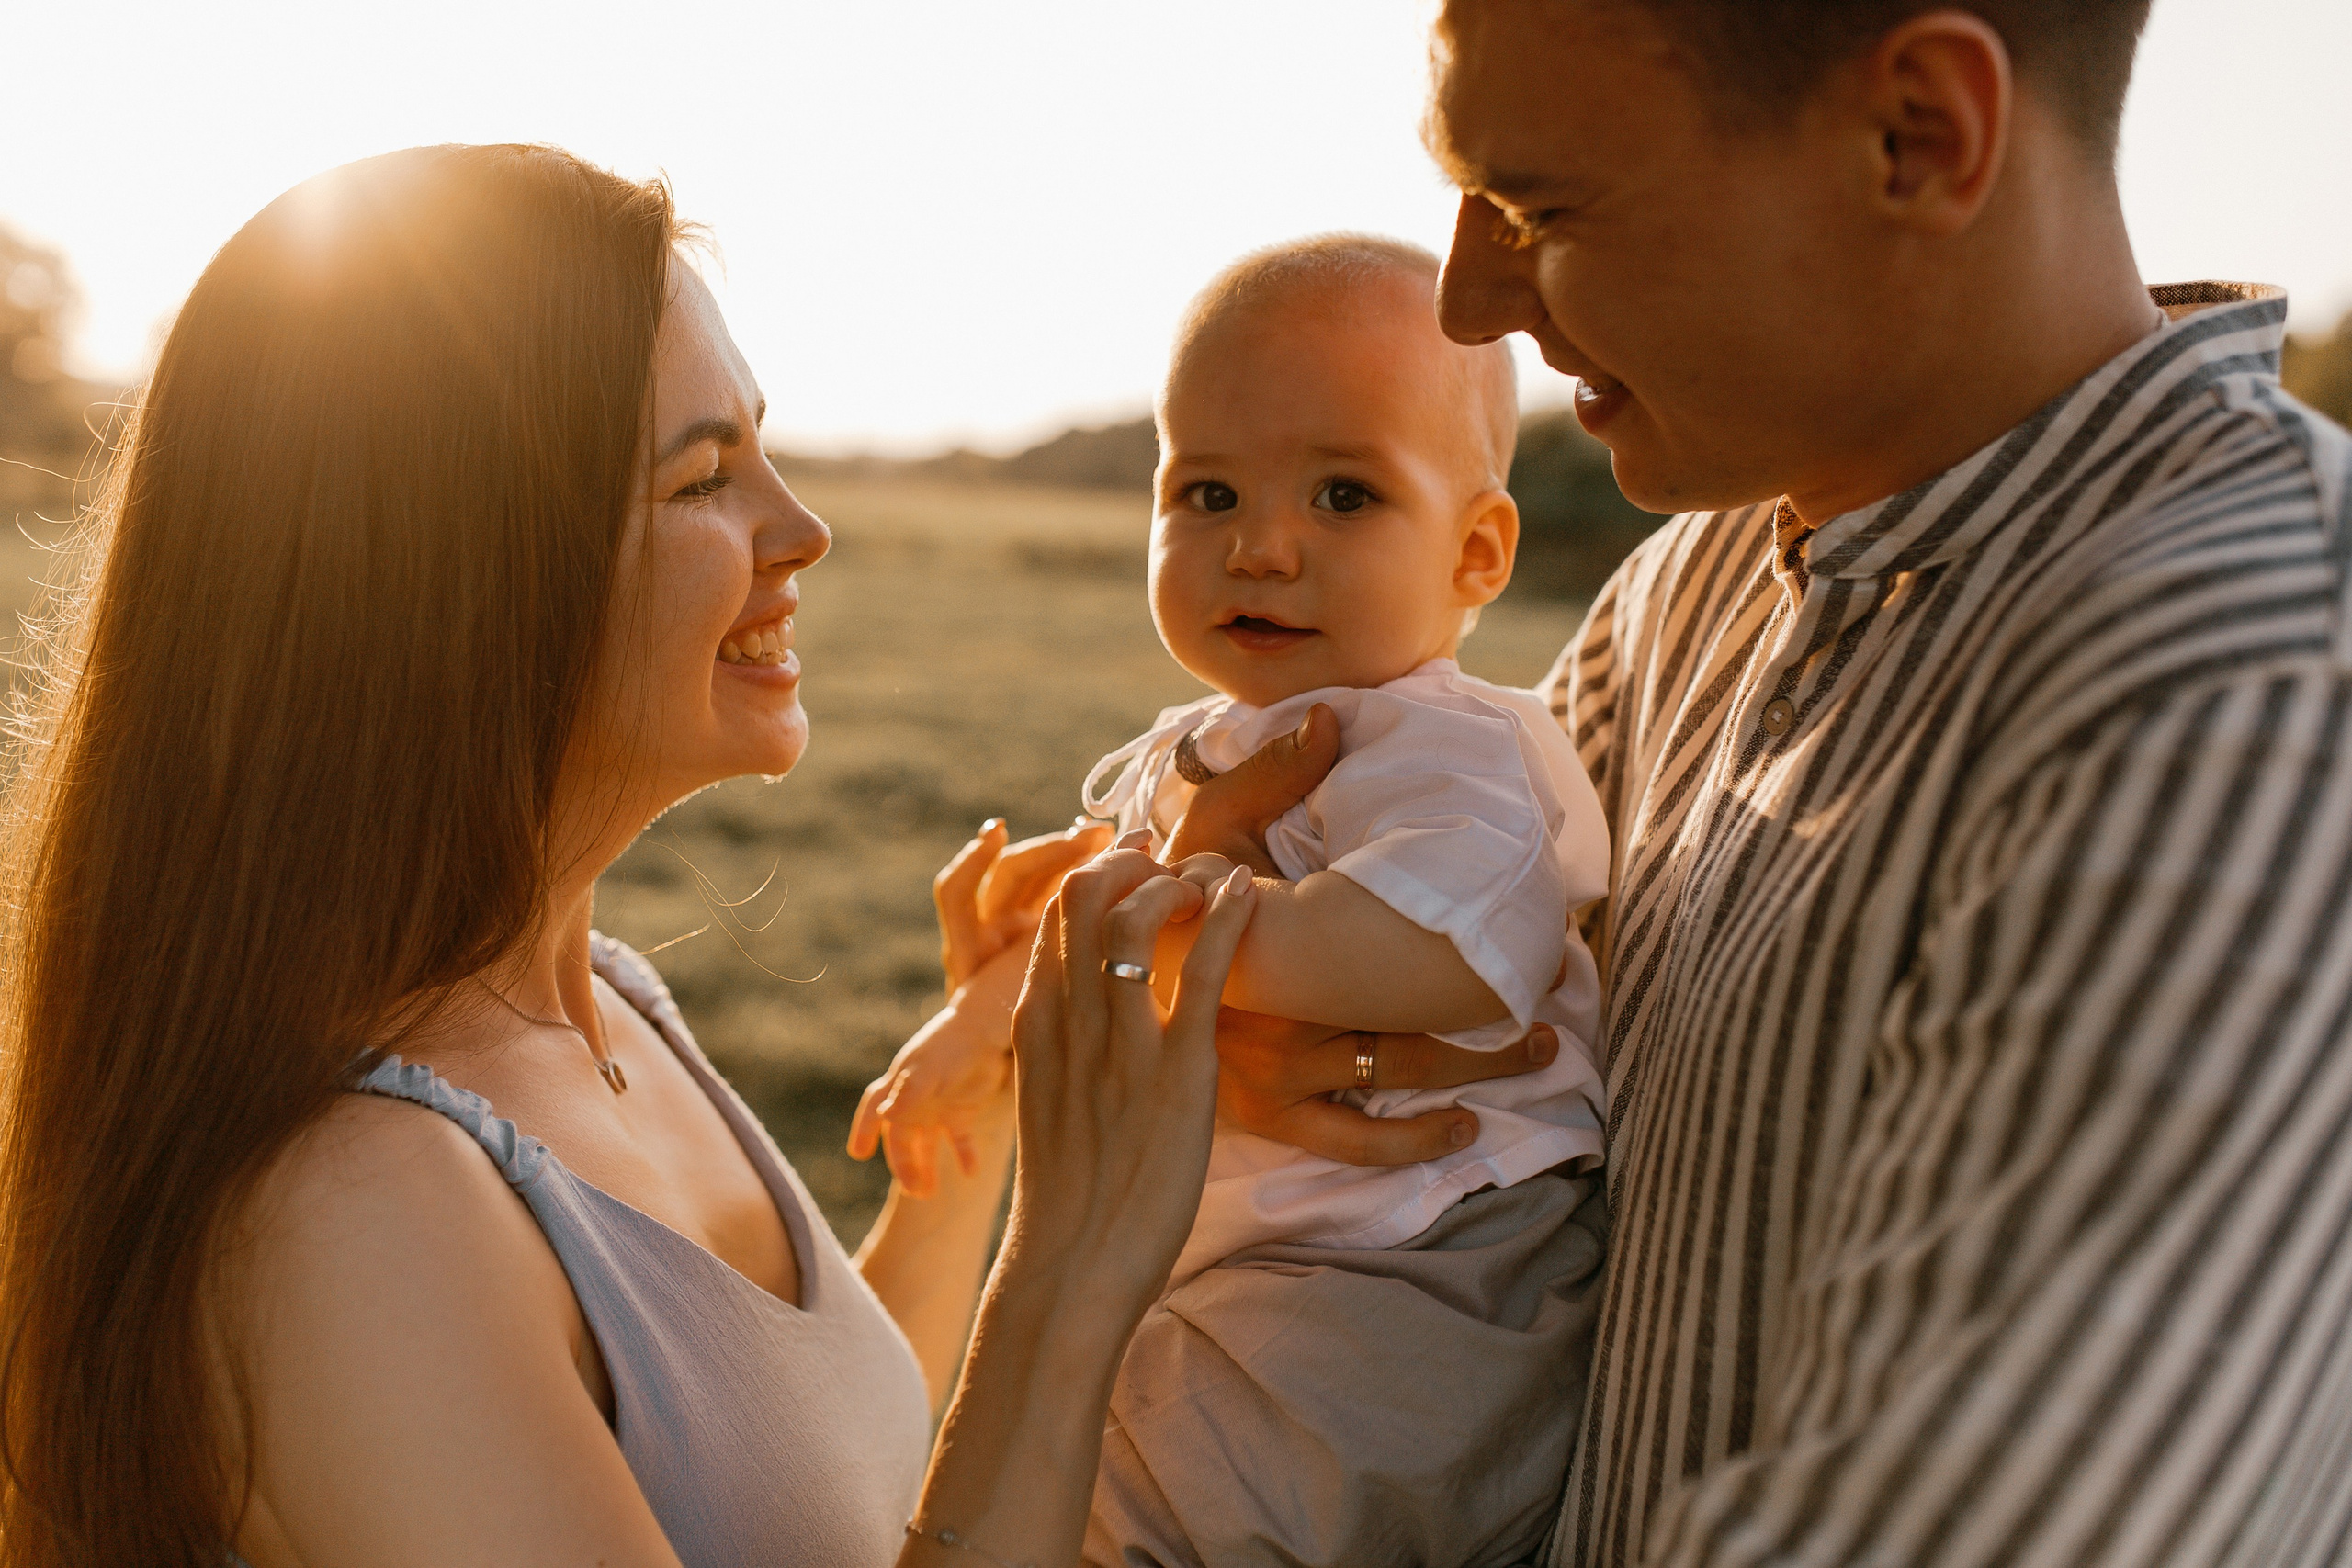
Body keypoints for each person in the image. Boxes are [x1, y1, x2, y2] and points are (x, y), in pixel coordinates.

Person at [0, 144, 1538, 1568]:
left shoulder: (603, 1008)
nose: (800, 528)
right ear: (461, 583)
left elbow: (800, 1492)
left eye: (767, 449)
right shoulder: (348, 1224)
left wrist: (983, 1142)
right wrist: (1072, 1272)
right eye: (702, 478)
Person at [1175, 1, 2352, 1563]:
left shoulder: (2257, 674)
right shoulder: (1700, 587)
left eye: (1539, 208)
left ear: (1918, 135)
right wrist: (1260, 1047)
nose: (1470, 302)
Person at [860, 235, 1611, 1567]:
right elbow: (1075, 915)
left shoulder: (1446, 748)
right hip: (1267, 1272)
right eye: (1207, 492)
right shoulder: (1208, 742)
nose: (1260, 547)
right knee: (1085, 1487)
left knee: (1143, 1512)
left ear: (1479, 552)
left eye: (1342, 494)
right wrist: (984, 1017)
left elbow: (1433, 951)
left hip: (1425, 1275)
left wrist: (1158, 940)